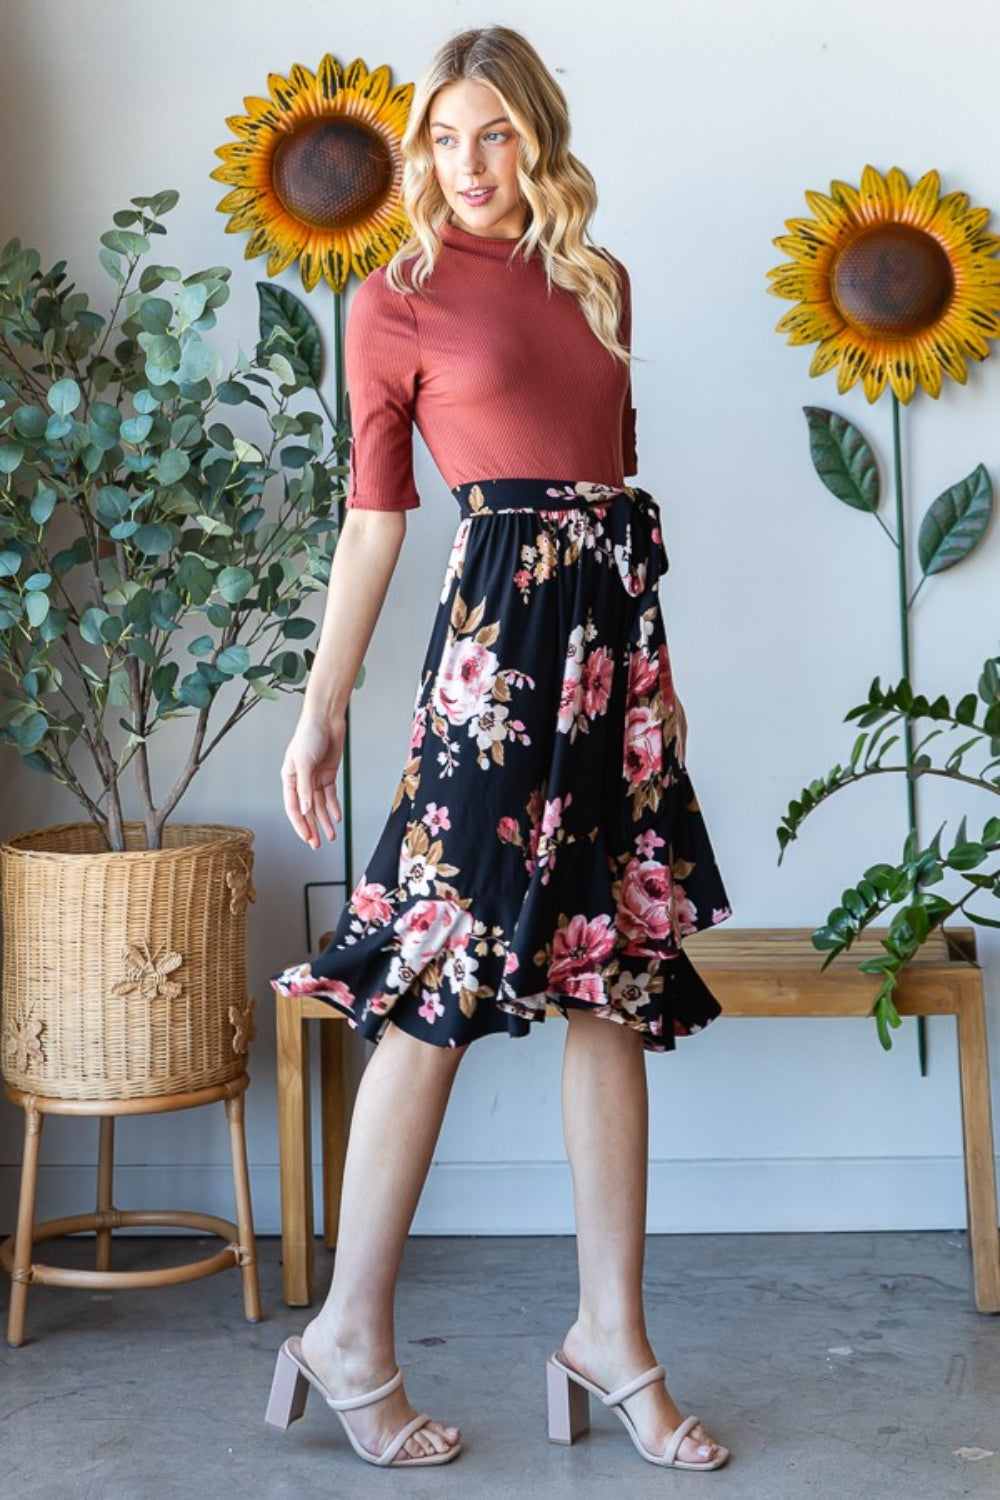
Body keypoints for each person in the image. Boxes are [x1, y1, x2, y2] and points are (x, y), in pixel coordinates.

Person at [265, 24, 733, 1473]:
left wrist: (657, 689)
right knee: (436, 979)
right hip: (497, 670)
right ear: (421, 151)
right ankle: (349, 1332)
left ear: (538, 137)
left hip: (612, 668)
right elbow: (375, 522)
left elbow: (612, 496)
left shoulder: (600, 279)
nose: (468, 164)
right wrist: (323, 704)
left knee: (613, 984)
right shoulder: (392, 300)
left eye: (496, 133)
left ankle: (612, 1340)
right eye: (444, 138)